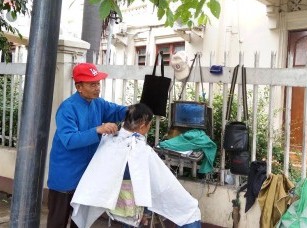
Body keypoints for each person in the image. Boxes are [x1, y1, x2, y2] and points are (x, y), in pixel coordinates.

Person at [70, 103, 202, 228]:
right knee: (191, 209)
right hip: (134, 206)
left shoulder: (109, 140)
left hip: (117, 205)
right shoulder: (141, 151)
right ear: (143, 125)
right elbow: (162, 184)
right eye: (149, 125)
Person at [46, 63, 127, 228]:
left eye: (98, 83)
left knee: (81, 221)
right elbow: (69, 140)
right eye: (92, 84)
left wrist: (137, 110)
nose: (97, 88)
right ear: (79, 87)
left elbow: (118, 111)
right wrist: (98, 130)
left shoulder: (98, 103)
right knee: (58, 222)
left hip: (86, 176)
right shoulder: (67, 108)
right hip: (65, 176)